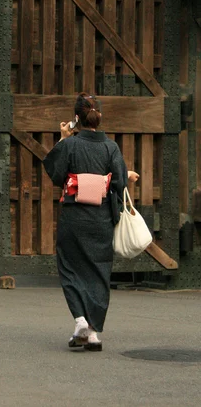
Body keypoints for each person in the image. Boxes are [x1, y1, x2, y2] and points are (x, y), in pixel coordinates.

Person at [43, 92, 139, 352]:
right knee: (99, 272)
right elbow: (118, 182)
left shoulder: (70, 145)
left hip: (74, 217)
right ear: (99, 117)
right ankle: (94, 333)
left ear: (77, 118)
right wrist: (121, 179)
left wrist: (64, 139)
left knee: (70, 267)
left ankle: (81, 321)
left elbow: (56, 173)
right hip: (100, 218)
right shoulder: (111, 147)